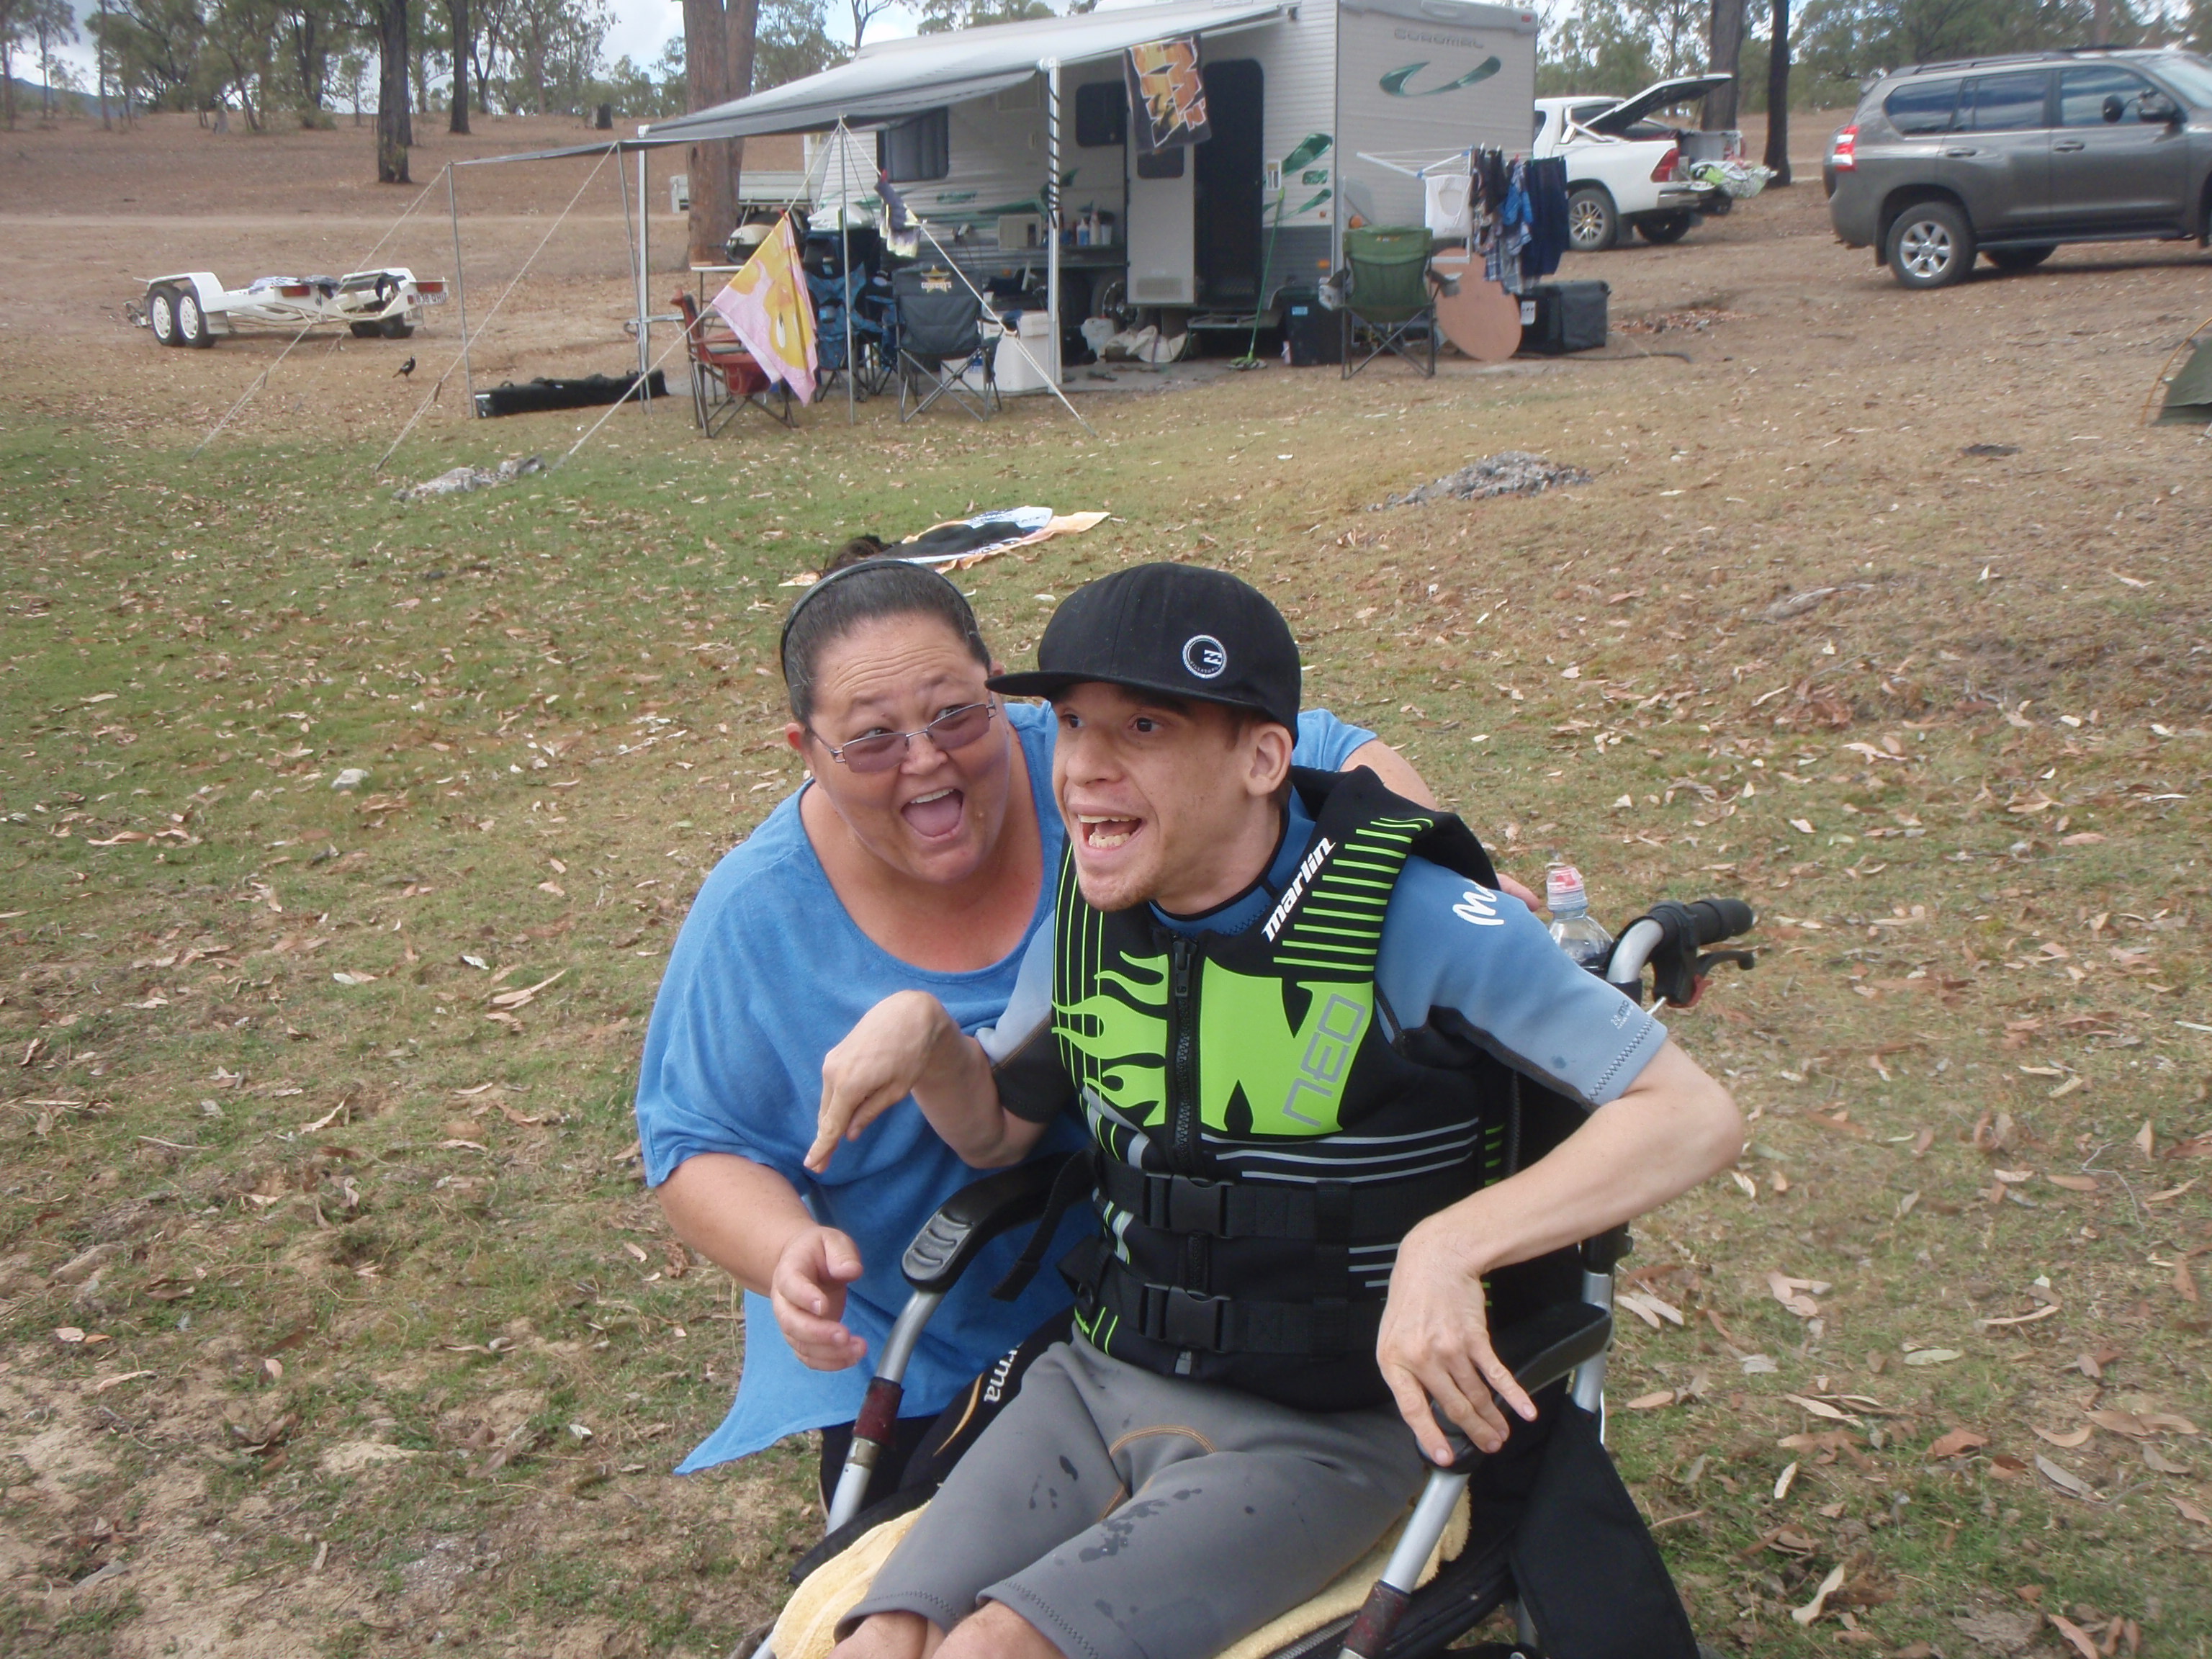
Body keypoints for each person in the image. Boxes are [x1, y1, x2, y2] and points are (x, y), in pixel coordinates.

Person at [814, 565, 1743, 1659]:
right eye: (1071, 724)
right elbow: (999, 1134)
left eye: (1145, 725)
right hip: (1094, 1380)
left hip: (1329, 1431)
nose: (1083, 771)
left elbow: (1691, 1115)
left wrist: (1449, 1248)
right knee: (878, 1638)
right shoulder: (1088, 908)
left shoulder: (1419, 918)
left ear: (1263, 757)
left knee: (998, 1648)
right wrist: (927, 1035)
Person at [636, 557, 1528, 1501]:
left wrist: (1440, 870)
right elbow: (696, 1141)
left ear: (996, 693)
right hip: (937, 1331)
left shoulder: (1083, 761)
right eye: (871, 742)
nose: (928, 759)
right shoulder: (756, 912)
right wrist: (786, 1253)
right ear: (804, 749)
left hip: (1200, 1280)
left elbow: (1309, 741)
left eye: (955, 715)